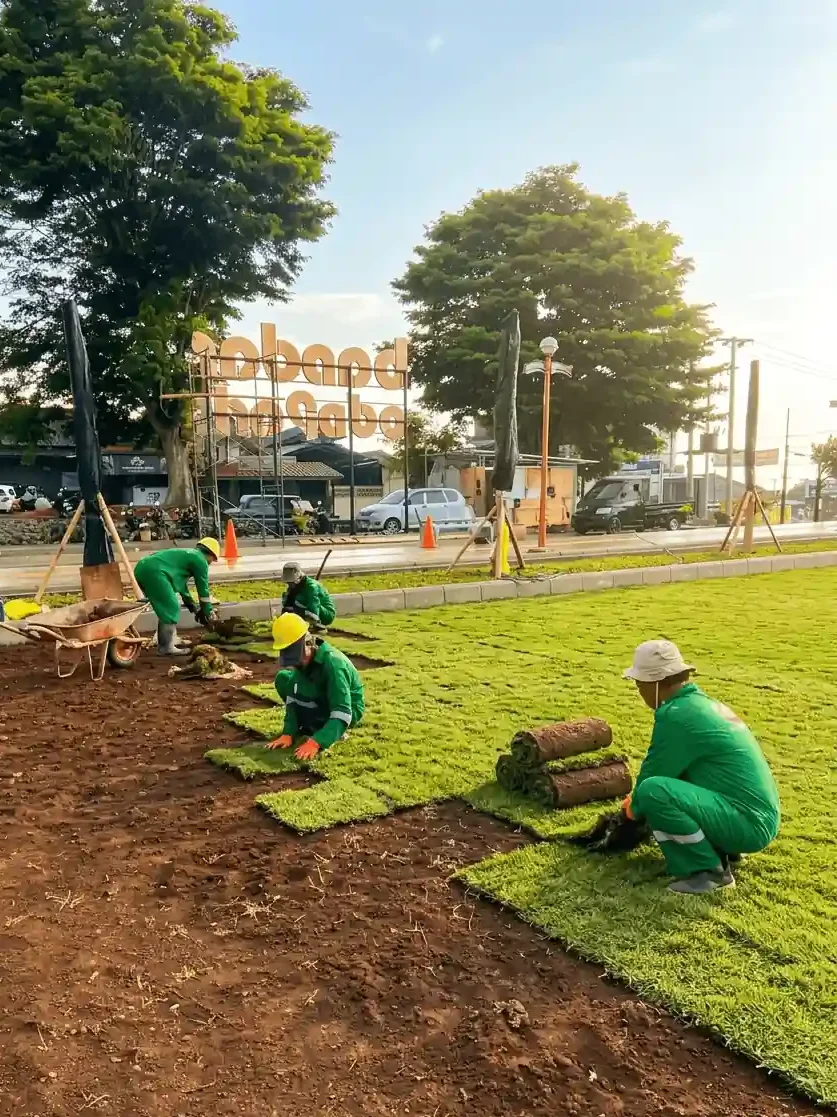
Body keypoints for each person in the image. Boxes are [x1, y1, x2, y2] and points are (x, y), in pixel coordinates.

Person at [622, 639, 780, 895]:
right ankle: (722, 848)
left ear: (655, 683)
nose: (640, 691)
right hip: (756, 817)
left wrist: (632, 809)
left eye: (639, 685)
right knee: (677, 779)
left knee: (653, 791)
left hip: (748, 825)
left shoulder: (677, 715)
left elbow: (655, 771)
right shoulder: (700, 705)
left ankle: (709, 872)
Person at [267, 613, 364, 761]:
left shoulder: (334, 665)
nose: (296, 664)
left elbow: (343, 711)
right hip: (321, 697)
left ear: (308, 642)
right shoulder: (303, 662)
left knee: (333, 712)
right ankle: (316, 723)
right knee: (283, 679)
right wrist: (288, 733)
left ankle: (330, 730)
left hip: (348, 707)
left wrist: (316, 742)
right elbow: (293, 698)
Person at [135, 538, 220, 656]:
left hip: (143, 568)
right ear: (211, 554)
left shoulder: (190, 555)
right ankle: (166, 648)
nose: (210, 563)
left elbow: (182, 586)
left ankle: (170, 640)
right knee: (170, 606)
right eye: (212, 560)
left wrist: (192, 606)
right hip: (154, 571)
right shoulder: (200, 560)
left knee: (166, 606)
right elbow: (203, 589)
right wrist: (208, 611)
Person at [280, 561, 336, 629]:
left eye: (291, 582)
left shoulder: (311, 587)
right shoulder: (294, 587)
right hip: (307, 609)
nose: (289, 585)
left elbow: (314, 604)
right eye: (288, 583)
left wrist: (314, 620)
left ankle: (312, 623)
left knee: (298, 601)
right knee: (288, 606)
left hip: (326, 615)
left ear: (299, 578)